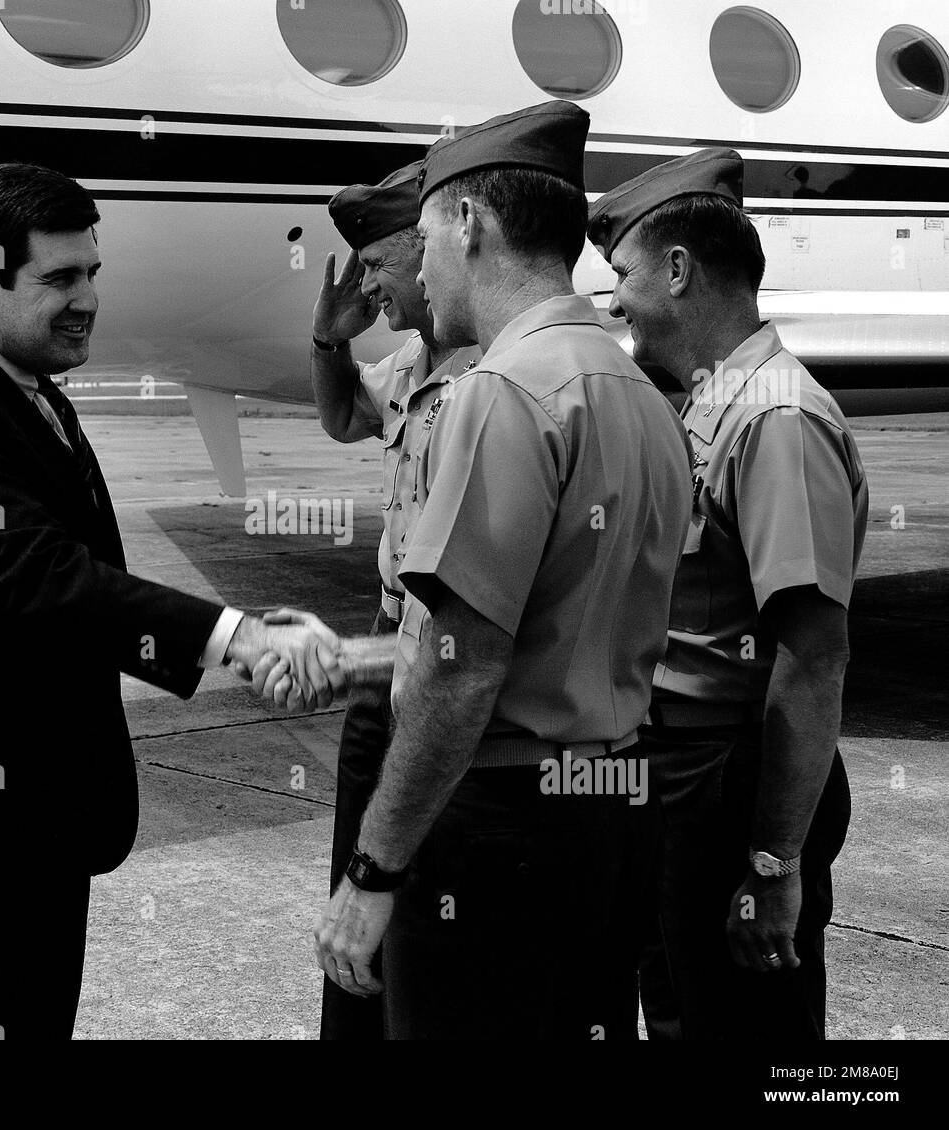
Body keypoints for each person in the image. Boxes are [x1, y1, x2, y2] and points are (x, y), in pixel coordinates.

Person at [0, 162, 341, 1040]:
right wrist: (238, 637)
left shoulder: (4, 375)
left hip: (23, 807)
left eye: (93, 274)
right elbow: (46, 579)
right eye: (60, 279)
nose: (87, 300)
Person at [299, 102, 693, 1038]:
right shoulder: (634, 387)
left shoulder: (501, 392)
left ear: (468, 226)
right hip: (610, 813)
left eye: (425, 238)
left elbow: (459, 663)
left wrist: (374, 871)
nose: (419, 269)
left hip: (502, 819)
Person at [587, 148, 869, 1040]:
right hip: (679, 779)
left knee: (751, 1036)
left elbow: (813, 654)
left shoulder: (775, 420)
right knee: (681, 1011)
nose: (615, 300)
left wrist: (776, 858)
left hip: (733, 785)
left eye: (623, 275)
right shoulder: (710, 405)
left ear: (677, 272)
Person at [309, 160, 481, 1040]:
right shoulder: (414, 361)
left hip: (443, 651)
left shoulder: (497, 379)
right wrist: (329, 341)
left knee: (419, 872)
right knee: (360, 848)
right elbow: (343, 418)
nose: (368, 288)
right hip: (390, 641)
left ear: (434, 252)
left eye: (377, 266)